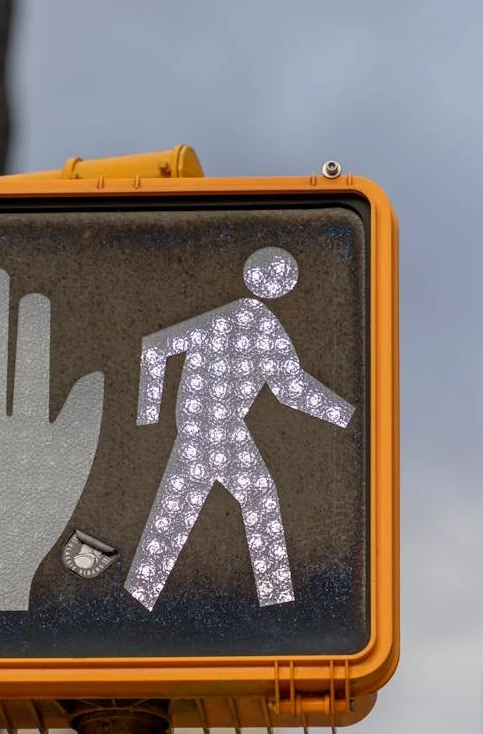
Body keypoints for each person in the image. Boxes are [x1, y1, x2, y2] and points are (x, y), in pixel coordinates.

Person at [126, 247, 355, 612]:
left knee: (181, 511)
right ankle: (277, 602)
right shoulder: (248, 321)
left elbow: (288, 387)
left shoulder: (244, 322)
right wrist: (147, 417)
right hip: (213, 430)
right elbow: (155, 348)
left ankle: (140, 596)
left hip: (211, 430)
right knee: (248, 500)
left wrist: (343, 415)